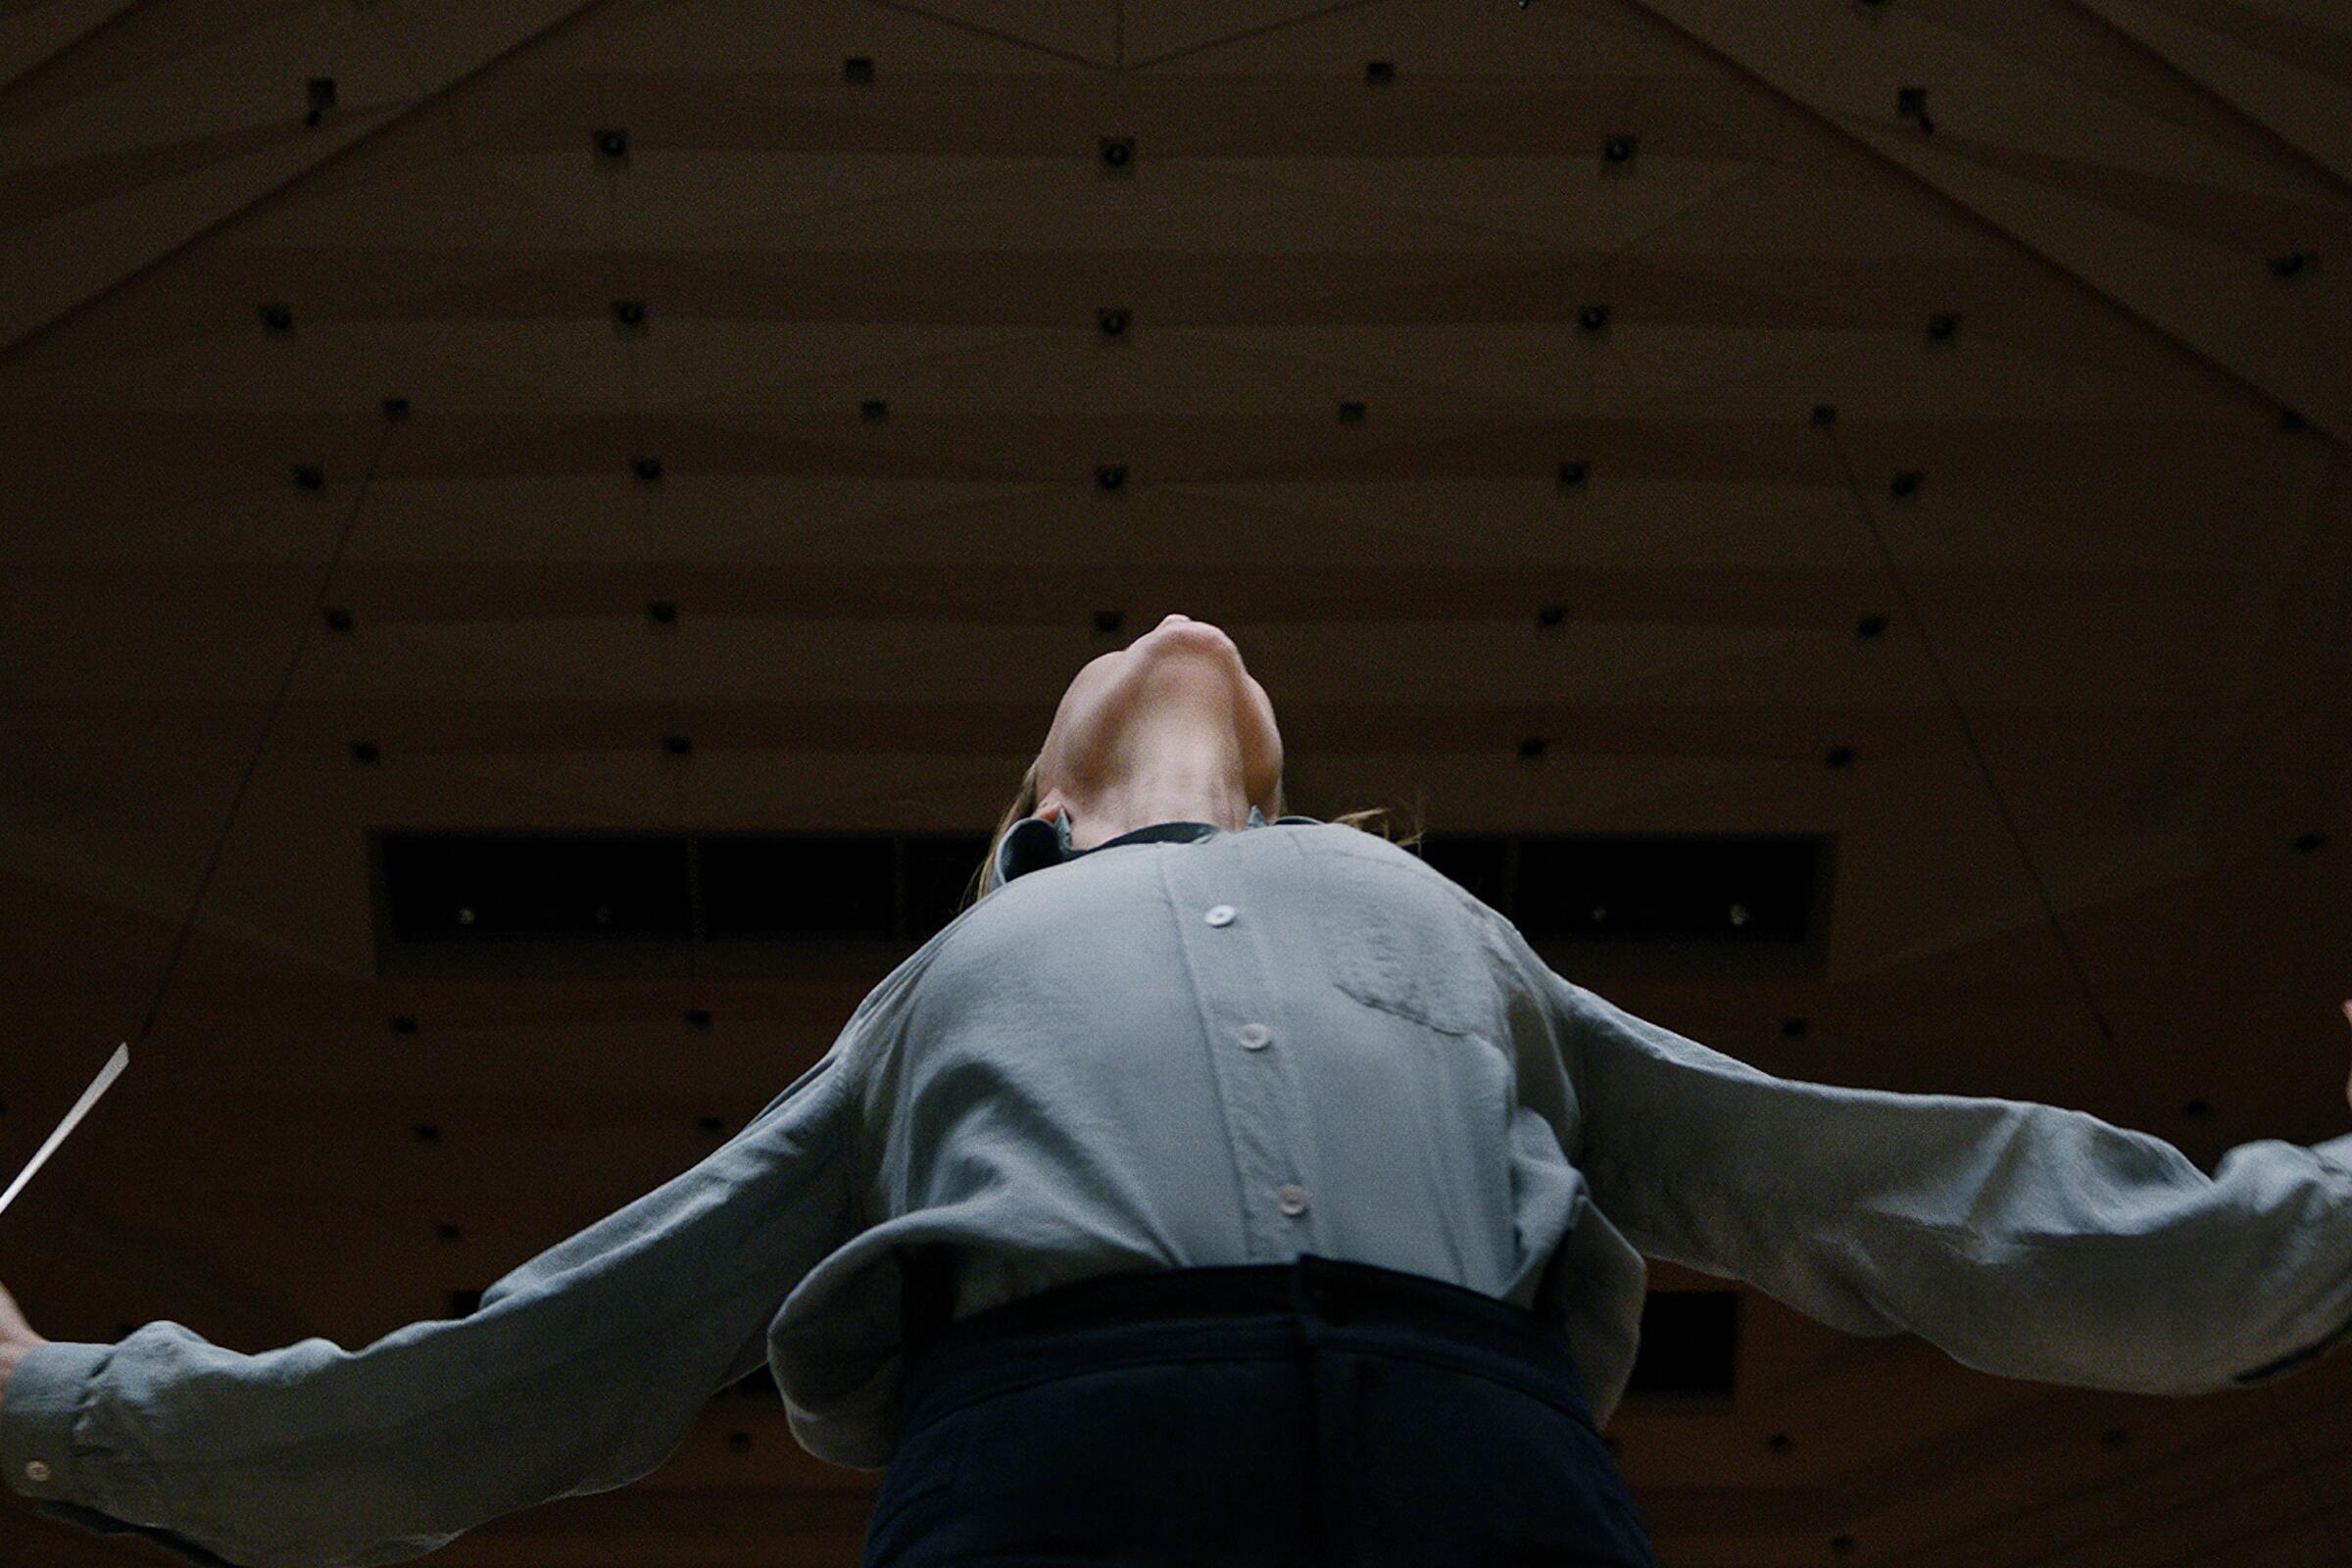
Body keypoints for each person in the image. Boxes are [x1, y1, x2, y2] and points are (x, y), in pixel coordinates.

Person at [4, 612, 2350, 1568]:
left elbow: (1888, 1193)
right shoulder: (938, 990)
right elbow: (537, 1360)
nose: (1177, 610)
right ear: (1022, 800)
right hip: (1056, 1452)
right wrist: (49, 1398)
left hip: (1477, 1453)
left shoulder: (1456, 933)